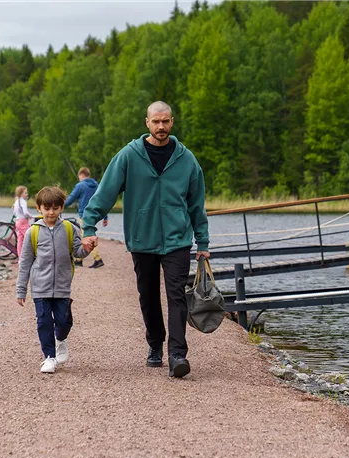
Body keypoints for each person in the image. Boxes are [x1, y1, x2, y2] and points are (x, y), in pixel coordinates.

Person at [80, 101, 209, 378]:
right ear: (147, 123)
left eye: (165, 121)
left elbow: (197, 204)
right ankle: (154, 344)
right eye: (155, 122)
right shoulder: (129, 156)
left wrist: (203, 243)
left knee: (176, 296)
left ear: (172, 122)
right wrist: (89, 224)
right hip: (142, 240)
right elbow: (105, 192)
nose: (160, 127)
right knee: (148, 296)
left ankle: (177, 355)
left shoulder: (187, 160)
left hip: (177, 240)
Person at [16, 186, 92, 374]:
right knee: (43, 322)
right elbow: (25, 262)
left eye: (55, 208)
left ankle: (60, 339)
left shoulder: (69, 229)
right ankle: (49, 357)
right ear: (39, 208)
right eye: (47, 208)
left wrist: (87, 248)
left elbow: (77, 252)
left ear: (61, 208)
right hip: (40, 287)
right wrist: (21, 290)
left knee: (64, 321)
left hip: (62, 286)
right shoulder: (32, 232)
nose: (51, 212)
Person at [65, 167, 109, 268]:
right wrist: (105, 217)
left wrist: (60, 206)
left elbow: (71, 198)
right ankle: (79, 260)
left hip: (84, 215)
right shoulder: (96, 185)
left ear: (81, 175)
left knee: (87, 236)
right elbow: (102, 201)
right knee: (83, 235)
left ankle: (98, 259)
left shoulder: (80, 185)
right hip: (95, 215)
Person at [12, 185, 32, 260]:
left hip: (18, 221)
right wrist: (30, 216)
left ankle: (20, 257)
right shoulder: (23, 202)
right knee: (30, 237)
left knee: (20, 240)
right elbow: (25, 212)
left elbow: (14, 213)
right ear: (21, 194)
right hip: (23, 221)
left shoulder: (16, 201)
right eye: (25, 193)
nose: (27, 194)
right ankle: (32, 255)